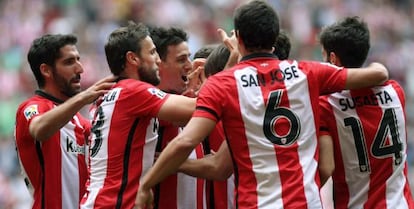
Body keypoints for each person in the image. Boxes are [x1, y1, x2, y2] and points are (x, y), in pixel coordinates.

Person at [135, 1, 389, 209]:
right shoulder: (307, 72)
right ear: (274, 38)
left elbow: (186, 141)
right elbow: (376, 75)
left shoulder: (224, 83)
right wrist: (379, 67)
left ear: (240, 39)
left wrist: (147, 183)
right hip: (306, 203)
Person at [80, 21, 196, 209]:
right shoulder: (133, 91)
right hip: (115, 203)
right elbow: (198, 109)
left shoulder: (111, 95)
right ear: (133, 59)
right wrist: (216, 81)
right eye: (151, 53)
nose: (158, 60)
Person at [318, 16, 414, 209]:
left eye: (323, 56)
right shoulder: (396, 92)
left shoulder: (325, 106)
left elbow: (326, 167)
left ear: (333, 58)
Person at [14, 34, 115, 209]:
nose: (80, 69)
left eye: (78, 60)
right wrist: (84, 98)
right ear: (46, 70)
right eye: (69, 62)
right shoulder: (31, 108)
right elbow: (39, 129)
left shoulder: (80, 122)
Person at [148, 25, 206, 209]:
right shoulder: (149, 106)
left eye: (189, 57)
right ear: (158, 63)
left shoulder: (186, 100)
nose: (189, 65)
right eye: (182, 59)